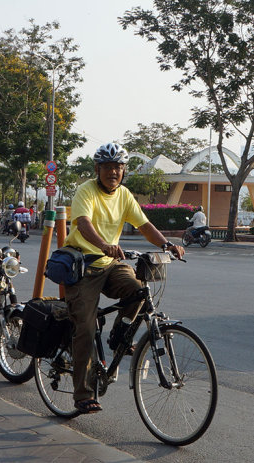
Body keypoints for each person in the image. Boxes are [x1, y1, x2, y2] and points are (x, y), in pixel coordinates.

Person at [62, 143, 184, 414]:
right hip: (84, 265)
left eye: (118, 167)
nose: (113, 172)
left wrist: (166, 245)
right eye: (107, 167)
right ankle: (82, 394)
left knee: (139, 290)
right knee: (84, 327)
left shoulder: (125, 195)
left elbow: (144, 226)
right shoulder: (86, 191)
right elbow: (83, 223)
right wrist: (104, 244)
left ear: (124, 171)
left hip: (111, 264)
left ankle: (119, 335)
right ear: (97, 169)